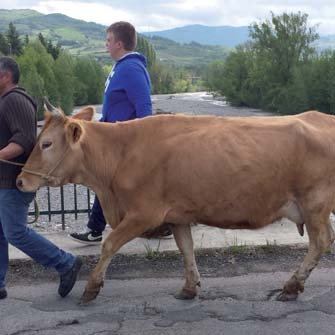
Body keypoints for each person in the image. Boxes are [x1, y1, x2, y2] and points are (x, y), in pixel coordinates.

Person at [70, 21, 172, 244]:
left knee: (114, 184)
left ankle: (164, 225)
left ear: (119, 43)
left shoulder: (131, 68)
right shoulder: (122, 67)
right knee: (107, 184)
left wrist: (140, 144)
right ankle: (97, 229)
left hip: (125, 144)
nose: (105, 45)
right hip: (115, 140)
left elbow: (144, 108)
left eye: (108, 41)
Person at [0, 56, 82, 300]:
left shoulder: (14, 100)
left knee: (15, 232)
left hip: (14, 181)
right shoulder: (6, 100)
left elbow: (23, 140)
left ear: (5, 77)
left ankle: (65, 263)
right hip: (4, 181)